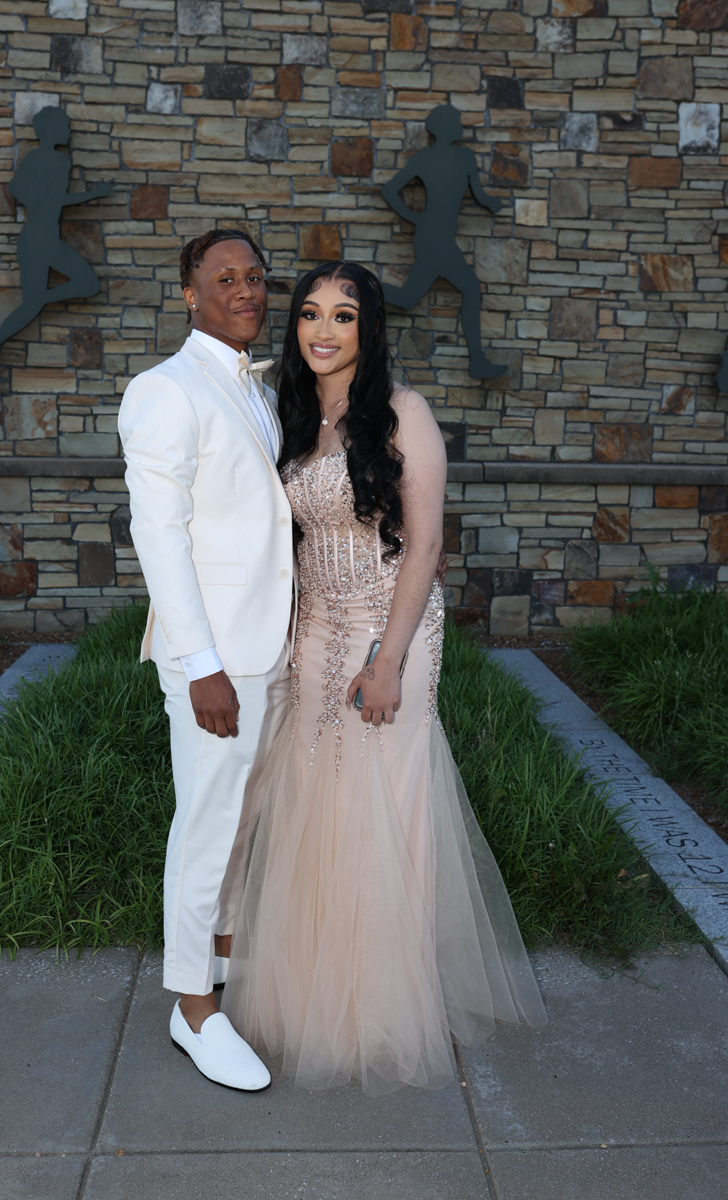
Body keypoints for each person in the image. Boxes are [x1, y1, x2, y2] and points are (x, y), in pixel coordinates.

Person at [221, 262, 547, 1095]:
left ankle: (383, 1005)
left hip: (387, 631)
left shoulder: (404, 413)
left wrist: (389, 661)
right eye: (310, 314)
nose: (324, 330)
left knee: (383, 802)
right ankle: (313, 992)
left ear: (369, 328)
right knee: (313, 800)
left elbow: (426, 545)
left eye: (344, 315)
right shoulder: (291, 415)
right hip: (312, 633)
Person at [118, 229, 295, 1092]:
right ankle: (191, 1007)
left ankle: (220, 960)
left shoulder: (259, 389)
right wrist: (201, 665)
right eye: (225, 278)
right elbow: (159, 536)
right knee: (207, 823)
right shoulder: (165, 389)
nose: (246, 290)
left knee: (244, 817)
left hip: (273, 642)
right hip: (218, 655)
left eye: (255, 276)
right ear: (189, 294)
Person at [0, 106, 111, 384]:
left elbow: (22, 189)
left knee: (77, 288)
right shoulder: (57, 161)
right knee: (85, 285)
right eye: (64, 126)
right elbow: (41, 195)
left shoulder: (41, 157)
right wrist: (94, 194)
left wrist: (39, 200)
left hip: (41, 238)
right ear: (51, 130)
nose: (69, 131)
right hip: (39, 240)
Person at [381, 104, 507, 382]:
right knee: (469, 288)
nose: (462, 125)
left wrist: (491, 204)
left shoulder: (456, 158)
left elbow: (479, 196)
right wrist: (415, 218)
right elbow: (389, 190)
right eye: (458, 121)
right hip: (433, 239)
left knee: (408, 298)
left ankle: (363, 289)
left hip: (435, 237)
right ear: (447, 127)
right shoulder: (452, 157)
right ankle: (477, 363)